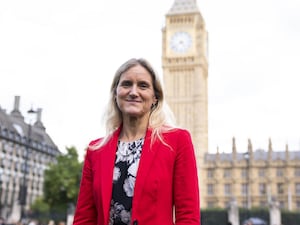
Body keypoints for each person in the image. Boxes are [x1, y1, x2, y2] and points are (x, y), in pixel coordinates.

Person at [73, 58, 200, 225]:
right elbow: (84, 218)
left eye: (143, 85)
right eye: (126, 84)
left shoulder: (177, 141)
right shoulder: (95, 150)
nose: (133, 92)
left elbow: (188, 216)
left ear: (155, 97)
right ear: (115, 94)